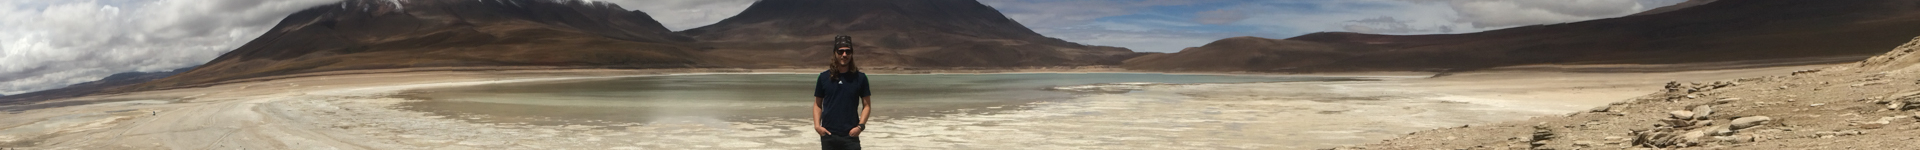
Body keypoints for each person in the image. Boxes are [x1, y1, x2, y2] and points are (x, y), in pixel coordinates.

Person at [814, 35, 871, 150]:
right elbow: (817, 104)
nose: (844, 55)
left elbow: (867, 105)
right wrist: (817, 126)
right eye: (840, 51)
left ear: (851, 54)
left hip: (851, 135)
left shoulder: (860, 78)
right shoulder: (824, 77)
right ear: (835, 53)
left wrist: (860, 127)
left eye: (847, 51)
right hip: (828, 134)